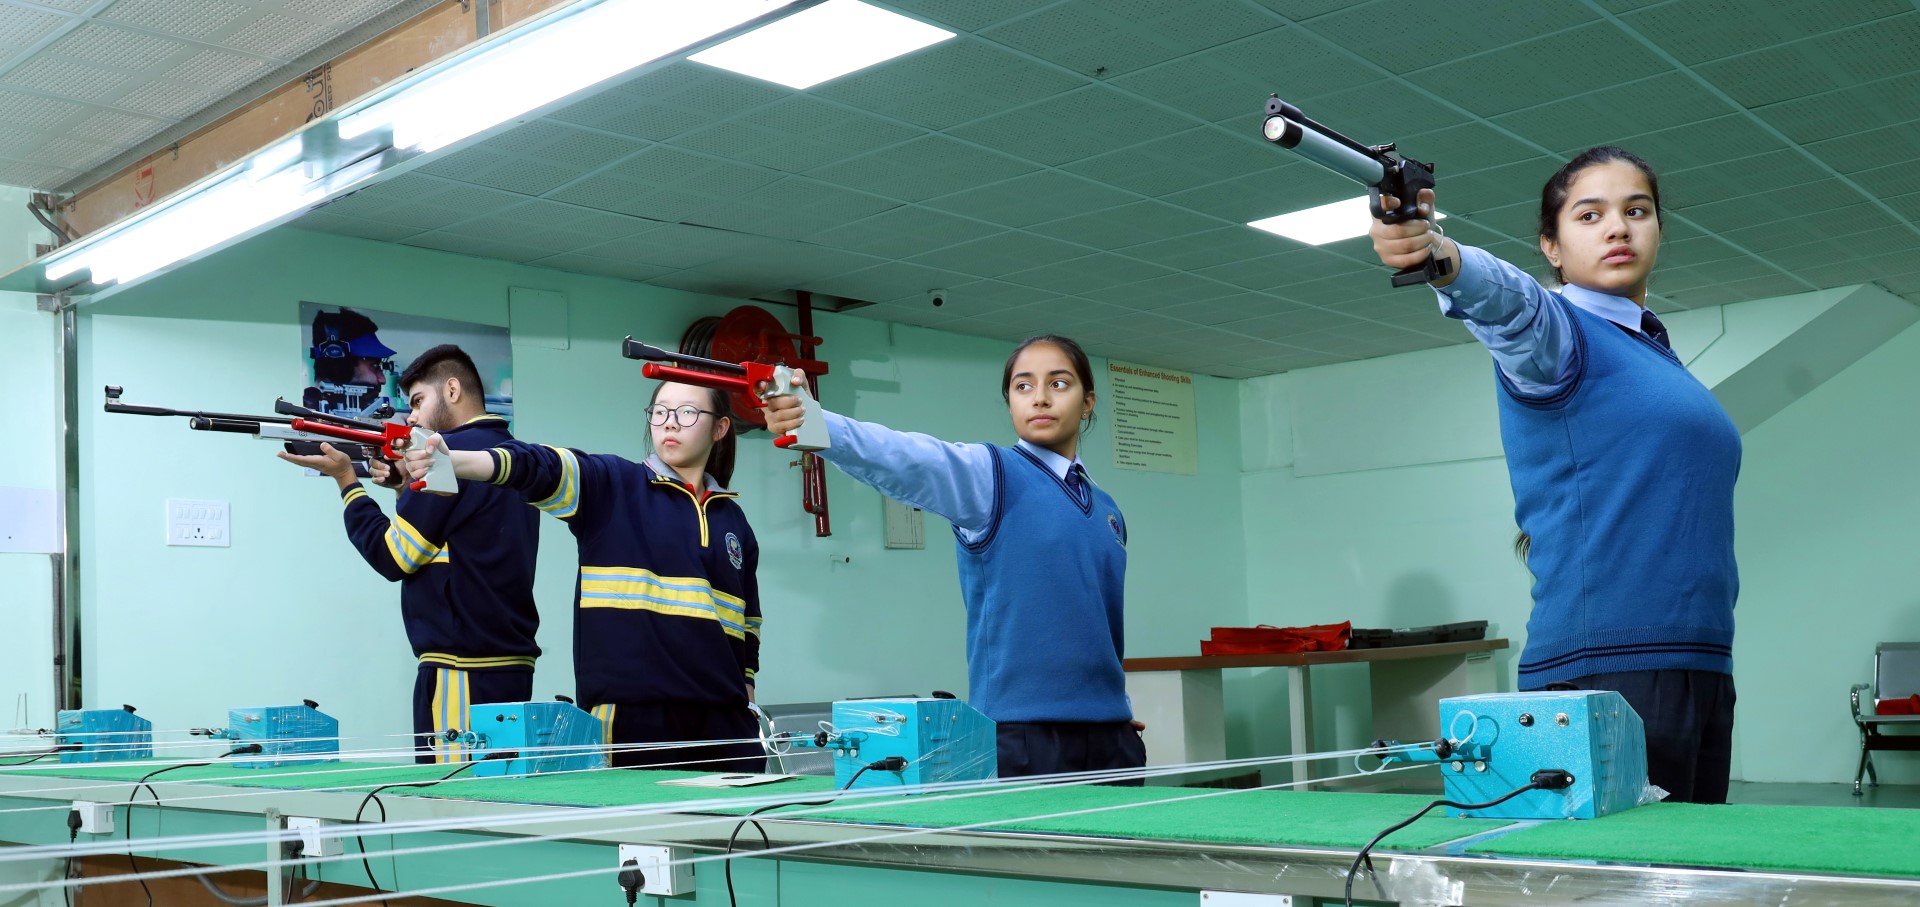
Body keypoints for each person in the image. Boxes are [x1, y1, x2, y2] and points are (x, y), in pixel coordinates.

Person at [1370, 146, 1740, 803]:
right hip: (1610, 671)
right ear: (1552, 246)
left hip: (1696, 663)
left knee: (1688, 883)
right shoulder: (1561, 337)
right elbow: (1511, 306)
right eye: (1589, 214)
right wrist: (1444, 260)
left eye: (1637, 210)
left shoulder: (1652, 354)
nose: (1618, 227)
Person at [764, 335, 1145, 782]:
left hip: (1112, 736)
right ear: (1009, 403)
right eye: (1023, 386)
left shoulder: (1107, 510)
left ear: (1088, 403)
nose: (1040, 397)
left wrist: (1114, 708)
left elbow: (1097, 625)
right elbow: (908, 458)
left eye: (1059, 384)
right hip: (1024, 738)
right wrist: (818, 426)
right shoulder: (993, 475)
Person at [405, 381, 764, 773]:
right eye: (660, 412)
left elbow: (747, 628)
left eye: (687, 413)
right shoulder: (612, 486)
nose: (670, 424)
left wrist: (744, 699)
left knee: (737, 834)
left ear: (720, 428)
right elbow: (537, 466)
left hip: (727, 729)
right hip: (634, 722)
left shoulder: (735, 524)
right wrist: (454, 461)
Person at [279, 344, 540, 764]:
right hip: (507, 665)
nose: (412, 417)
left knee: (455, 804)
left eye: (418, 401)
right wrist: (404, 487)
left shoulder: (445, 457)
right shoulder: (510, 455)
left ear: (452, 390)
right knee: (497, 802)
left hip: (459, 669)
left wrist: (348, 481)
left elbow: (393, 556)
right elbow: (454, 539)